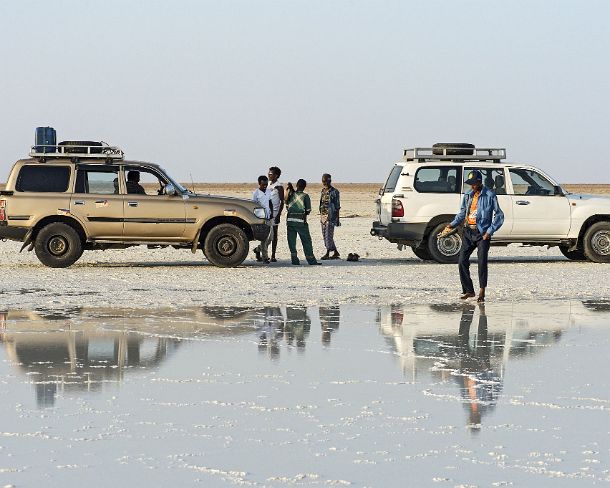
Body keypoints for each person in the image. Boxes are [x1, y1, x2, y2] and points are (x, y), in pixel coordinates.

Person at [442, 170, 504, 302]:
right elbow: (462, 213)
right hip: (468, 232)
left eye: (474, 184)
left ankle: (482, 291)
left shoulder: (490, 195)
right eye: (470, 184)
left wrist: (489, 231)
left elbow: (499, 215)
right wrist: (451, 225)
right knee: (462, 261)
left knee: (482, 262)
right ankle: (469, 290)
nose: (472, 186)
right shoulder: (468, 195)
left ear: (479, 182)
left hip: (482, 234)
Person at [285, 179, 320, 265]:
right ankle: (311, 260)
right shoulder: (305, 196)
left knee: (291, 241)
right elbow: (308, 210)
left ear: (297, 185)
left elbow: (287, 206)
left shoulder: (290, 195)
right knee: (306, 241)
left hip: (290, 221)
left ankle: (294, 260)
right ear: (304, 187)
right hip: (301, 222)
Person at [252, 175, 273, 264]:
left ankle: (257, 249)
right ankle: (265, 258)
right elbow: (254, 205)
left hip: (269, 217)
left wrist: (272, 213)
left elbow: (270, 202)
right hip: (261, 218)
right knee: (264, 238)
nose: (264, 186)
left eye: (266, 184)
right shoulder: (256, 193)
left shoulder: (268, 191)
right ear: (259, 184)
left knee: (270, 238)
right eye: (263, 185)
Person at [319, 173, 341, 260]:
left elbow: (337, 206)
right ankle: (335, 252)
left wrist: (337, 219)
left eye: (326, 181)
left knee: (328, 235)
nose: (325, 183)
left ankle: (328, 253)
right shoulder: (323, 191)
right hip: (323, 215)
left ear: (330, 181)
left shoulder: (335, 192)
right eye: (323, 181)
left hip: (331, 216)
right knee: (325, 235)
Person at [267, 166, 284, 262]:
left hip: (275, 214)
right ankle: (262, 252)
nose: (269, 175)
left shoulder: (279, 187)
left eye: (271, 174)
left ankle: (273, 255)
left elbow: (282, 202)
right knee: (265, 234)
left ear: (276, 176)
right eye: (268, 173)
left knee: (274, 235)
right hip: (266, 213)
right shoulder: (268, 185)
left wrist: (278, 215)